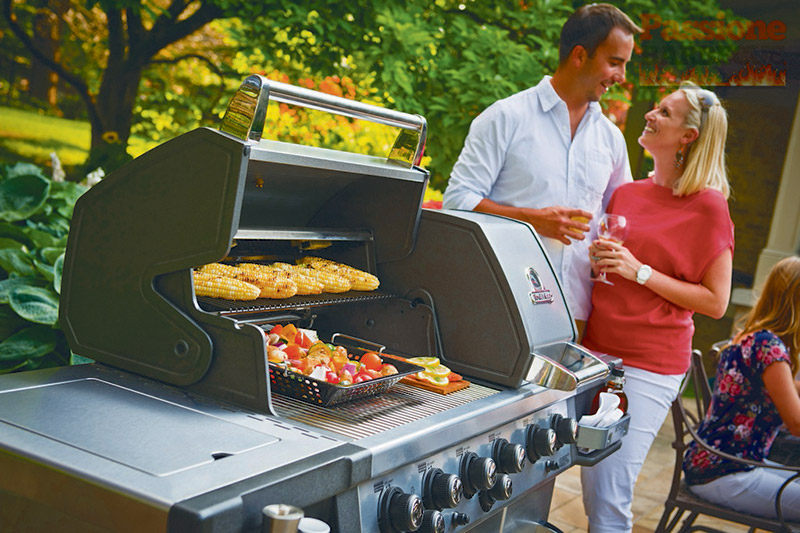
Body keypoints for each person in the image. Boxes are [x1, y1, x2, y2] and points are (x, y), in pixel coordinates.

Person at [579, 83, 735, 533]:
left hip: (645, 367)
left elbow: (716, 302)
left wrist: (638, 271)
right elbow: (611, 269)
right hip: (592, 352)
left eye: (664, 112)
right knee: (580, 476)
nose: (651, 114)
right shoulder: (626, 194)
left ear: (688, 136)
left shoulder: (708, 205)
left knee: (609, 495)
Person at [442, 3, 641, 336]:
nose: (621, 77)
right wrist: (533, 220)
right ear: (580, 55)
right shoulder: (506, 117)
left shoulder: (611, 139)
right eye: (615, 63)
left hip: (576, 311)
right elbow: (458, 201)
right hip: (504, 305)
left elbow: (620, 219)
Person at [683, 256, 800, 521]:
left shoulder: (753, 336)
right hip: (726, 472)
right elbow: (796, 424)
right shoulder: (772, 350)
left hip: (714, 460)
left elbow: (780, 386)